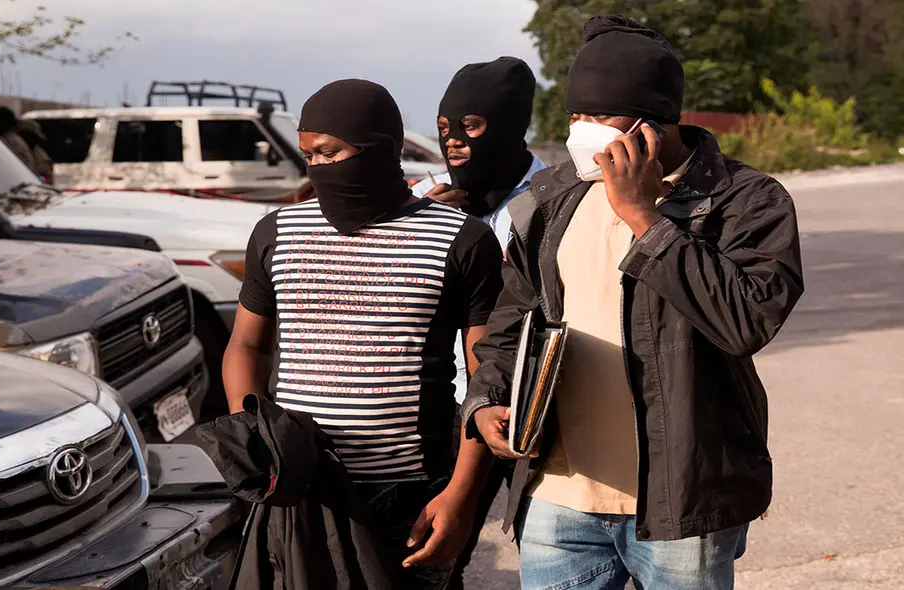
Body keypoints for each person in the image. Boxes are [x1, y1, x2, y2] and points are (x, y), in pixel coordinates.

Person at [461, 15, 804, 590]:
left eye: (599, 116)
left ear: (657, 122)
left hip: (680, 506)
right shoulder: (552, 201)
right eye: (576, 116)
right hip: (559, 500)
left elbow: (747, 319)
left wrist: (644, 217)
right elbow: (509, 322)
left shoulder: (747, 201)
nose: (582, 130)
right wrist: (486, 398)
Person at [223, 79, 503, 589]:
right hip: (302, 489)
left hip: (412, 494)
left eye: (331, 153)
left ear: (379, 148)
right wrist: (257, 437)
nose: (319, 168)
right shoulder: (278, 231)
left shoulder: (461, 239)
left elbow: (489, 373)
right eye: (310, 155)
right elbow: (247, 344)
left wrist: (461, 496)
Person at [409, 56, 546, 589]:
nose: (456, 142)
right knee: (434, 561)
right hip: (450, 416)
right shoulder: (424, 199)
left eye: (472, 126)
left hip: (533, 411)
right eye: (445, 128)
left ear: (512, 126)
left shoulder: (557, 198)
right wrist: (423, 225)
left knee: (552, 556)